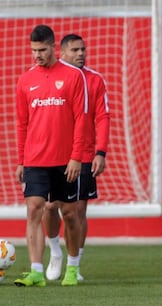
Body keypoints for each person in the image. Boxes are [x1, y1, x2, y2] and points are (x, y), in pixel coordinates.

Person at [14, 25, 88, 287]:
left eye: (42, 50)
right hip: (35, 160)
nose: (37, 55)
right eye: (34, 50)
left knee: (69, 214)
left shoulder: (73, 76)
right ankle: (35, 270)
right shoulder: (25, 80)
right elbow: (22, 123)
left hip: (66, 160)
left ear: (53, 47)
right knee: (34, 209)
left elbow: (82, 119)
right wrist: (21, 160)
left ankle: (72, 267)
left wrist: (76, 156)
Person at [43, 33, 110, 282]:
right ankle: (54, 251)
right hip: (51, 154)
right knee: (49, 207)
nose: (81, 54)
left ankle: (75, 264)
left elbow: (102, 118)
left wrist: (100, 152)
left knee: (78, 210)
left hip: (82, 155)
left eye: (83, 49)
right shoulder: (48, 76)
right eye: (75, 50)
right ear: (61, 53)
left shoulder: (94, 80)